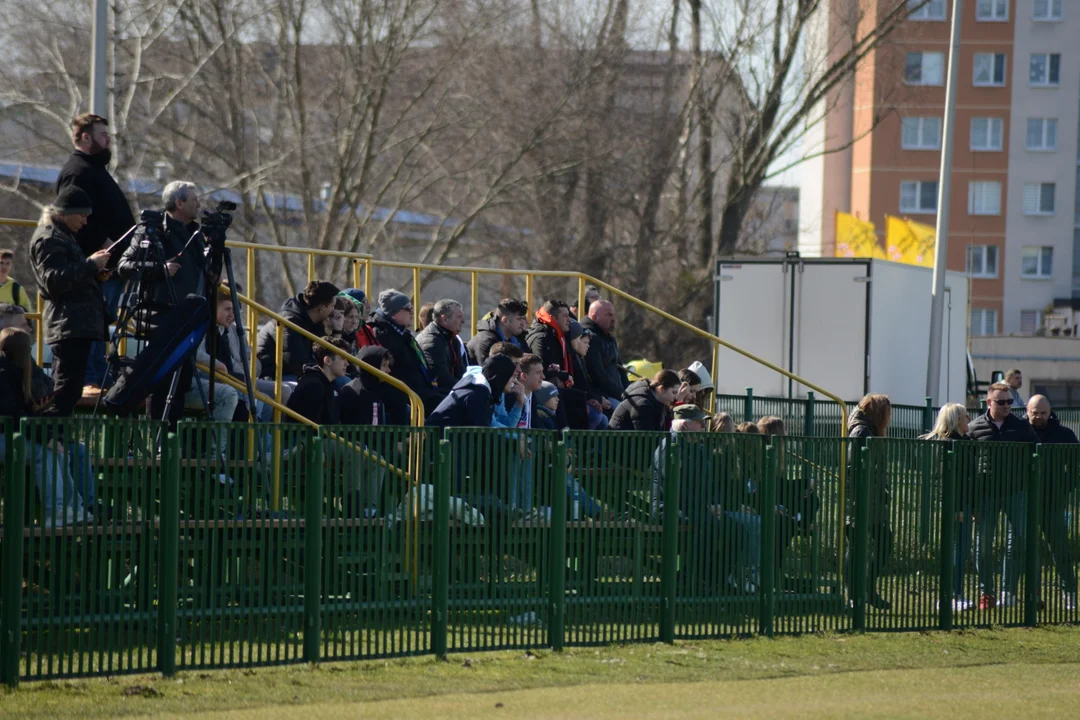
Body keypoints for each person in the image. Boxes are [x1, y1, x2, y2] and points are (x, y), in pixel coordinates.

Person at [117, 180, 208, 430]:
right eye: (194, 199)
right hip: (159, 315)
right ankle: (158, 440)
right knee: (163, 380)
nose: (199, 204)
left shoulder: (195, 234)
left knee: (181, 382)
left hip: (188, 317)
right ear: (179, 203)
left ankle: (171, 440)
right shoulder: (152, 230)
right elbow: (124, 266)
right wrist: (159, 270)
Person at [56, 114, 136, 388]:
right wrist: (101, 243)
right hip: (94, 267)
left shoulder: (92, 169)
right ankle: (90, 379)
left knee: (101, 324)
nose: (108, 139)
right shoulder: (77, 171)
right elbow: (67, 216)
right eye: (103, 134)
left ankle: (97, 375)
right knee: (92, 323)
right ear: (86, 137)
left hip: (108, 267)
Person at [30, 186, 111, 418]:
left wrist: (94, 274)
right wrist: (90, 265)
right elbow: (53, 282)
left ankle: (57, 440)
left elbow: (67, 275)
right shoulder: (49, 239)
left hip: (74, 324)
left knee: (69, 389)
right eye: (82, 215)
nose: (85, 222)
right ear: (65, 212)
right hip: (67, 324)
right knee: (64, 390)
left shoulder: (63, 236)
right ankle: (52, 441)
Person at [0, 328, 88, 527]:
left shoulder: (18, 371)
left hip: (13, 435)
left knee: (60, 452)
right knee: (44, 451)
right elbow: (14, 418)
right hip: (4, 436)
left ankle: (73, 508)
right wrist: (46, 438)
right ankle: (55, 510)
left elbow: (25, 413)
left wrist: (37, 411)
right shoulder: (3, 375)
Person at [967, 382, 1037, 610]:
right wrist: (972, 500)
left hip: (1015, 493)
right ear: (989, 402)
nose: (1007, 406)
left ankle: (1008, 590)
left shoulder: (1021, 427)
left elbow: (1032, 458)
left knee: (1015, 542)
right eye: (1001, 402)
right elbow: (968, 465)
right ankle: (986, 592)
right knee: (983, 544)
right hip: (986, 495)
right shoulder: (974, 428)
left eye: (1009, 402)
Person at [1026, 395, 1078, 611]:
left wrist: (1062, 488)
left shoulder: (1064, 434)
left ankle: (1070, 594)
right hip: (1026, 500)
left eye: (1043, 413)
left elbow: (1075, 467)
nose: (1038, 417)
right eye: (1034, 413)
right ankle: (1032, 594)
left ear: (1050, 411)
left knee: (1060, 550)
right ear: (1027, 411)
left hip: (1053, 501)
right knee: (1025, 549)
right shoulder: (1021, 432)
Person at [921, 403, 974, 612]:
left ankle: (955, 593)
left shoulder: (963, 442)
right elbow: (948, 481)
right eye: (964, 415)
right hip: (955, 505)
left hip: (964, 504)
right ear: (955, 419)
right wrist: (957, 508)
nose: (969, 418)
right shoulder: (949, 444)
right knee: (956, 551)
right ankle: (951, 594)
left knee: (961, 550)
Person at [844, 393, 893, 611]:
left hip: (873, 498)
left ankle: (867, 587)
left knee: (884, 540)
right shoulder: (861, 431)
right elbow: (854, 467)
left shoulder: (870, 430)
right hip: (859, 499)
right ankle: (854, 594)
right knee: (856, 545)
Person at [368, 288, 445, 419]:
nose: (412, 312)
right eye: (408, 308)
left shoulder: (403, 334)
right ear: (394, 314)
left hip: (420, 389)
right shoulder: (383, 335)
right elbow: (398, 370)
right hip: (406, 393)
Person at [256, 280, 341, 381]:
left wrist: (337, 331)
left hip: (298, 373)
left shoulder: (315, 322)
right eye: (332, 306)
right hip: (276, 375)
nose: (334, 311)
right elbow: (296, 363)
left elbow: (327, 356)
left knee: (340, 380)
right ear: (321, 308)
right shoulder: (289, 323)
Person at [427, 354, 518, 428]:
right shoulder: (478, 393)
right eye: (512, 376)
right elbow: (481, 433)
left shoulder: (480, 389)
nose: (514, 380)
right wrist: (515, 443)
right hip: (440, 445)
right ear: (502, 377)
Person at [285, 338, 350, 425]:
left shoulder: (331, 384)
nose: (347, 363)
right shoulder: (313, 386)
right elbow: (311, 429)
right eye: (342, 358)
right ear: (327, 360)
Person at [340, 346, 408, 426]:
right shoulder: (352, 392)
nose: (388, 370)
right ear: (372, 365)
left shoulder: (393, 390)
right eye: (384, 365)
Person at [580, 300, 628, 408]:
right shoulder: (590, 339)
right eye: (609, 315)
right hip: (604, 396)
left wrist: (629, 392)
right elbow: (598, 375)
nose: (613, 319)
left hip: (618, 394)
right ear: (594, 317)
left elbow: (620, 369)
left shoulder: (609, 337)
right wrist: (623, 395)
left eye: (614, 315)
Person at [416, 299, 468, 391]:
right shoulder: (431, 341)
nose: (463, 321)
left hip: (449, 392)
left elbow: (460, 371)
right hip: (434, 396)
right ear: (444, 319)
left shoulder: (452, 338)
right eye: (459, 317)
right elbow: (442, 379)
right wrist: (466, 389)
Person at [565, 321, 607, 429]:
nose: (587, 346)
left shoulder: (581, 361)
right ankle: (581, 443)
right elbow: (579, 385)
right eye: (584, 342)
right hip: (574, 400)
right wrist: (596, 399)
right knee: (598, 417)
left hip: (584, 398)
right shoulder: (573, 359)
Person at [609, 369, 680, 431]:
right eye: (674, 392)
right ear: (661, 389)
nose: (676, 397)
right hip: (619, 444)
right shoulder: (642, 404)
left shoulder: (659, 403)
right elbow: (646, 438)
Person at [467, 298, 528, 365]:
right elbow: (489, 373)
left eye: (523, 318)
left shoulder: (518, 338)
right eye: (519, 319)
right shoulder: (486, 342)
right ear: (505, 321)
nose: (523, 323)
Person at [526, 299, 573, 374]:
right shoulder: (541, 338)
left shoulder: (559, 336)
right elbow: (541, 371)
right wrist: (563, 376)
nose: (569, 320)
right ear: (553, 318)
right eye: (565, 316)